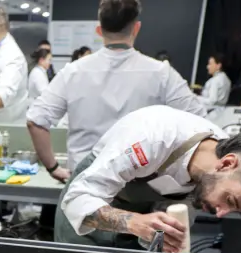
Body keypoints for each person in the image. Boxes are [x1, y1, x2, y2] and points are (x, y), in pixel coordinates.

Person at [54, 105, 241, 253]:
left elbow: (169, 222)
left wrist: (164, 242)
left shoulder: (216, 167)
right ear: (226, 164)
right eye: (229, 200)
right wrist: (133, 222)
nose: (221, 214)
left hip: (141, 216)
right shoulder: (152, 137)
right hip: (89, 206)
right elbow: (77, 200)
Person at [27, 0, 206, 182]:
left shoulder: (72, 72)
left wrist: (53, 168)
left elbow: (35, 120)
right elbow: (199, 121)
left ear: (99, 30)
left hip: (85, 182)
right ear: (136, 28)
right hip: (139, 185)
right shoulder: (162, 74)